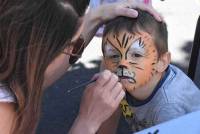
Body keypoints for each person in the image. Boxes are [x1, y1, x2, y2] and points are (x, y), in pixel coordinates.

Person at [0, 0, 162, 134]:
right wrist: (87, 122)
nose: (72, 53)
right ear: (38, 54)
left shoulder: (13, 68)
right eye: (70, 47)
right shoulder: (5, 116)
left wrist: (96, 17)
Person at [99, 9, 200, 133]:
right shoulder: (124, 85)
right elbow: (127, 111)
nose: (122, 64)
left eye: (136, 55)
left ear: (161, 63)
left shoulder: (168, 110)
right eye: (114, 56)